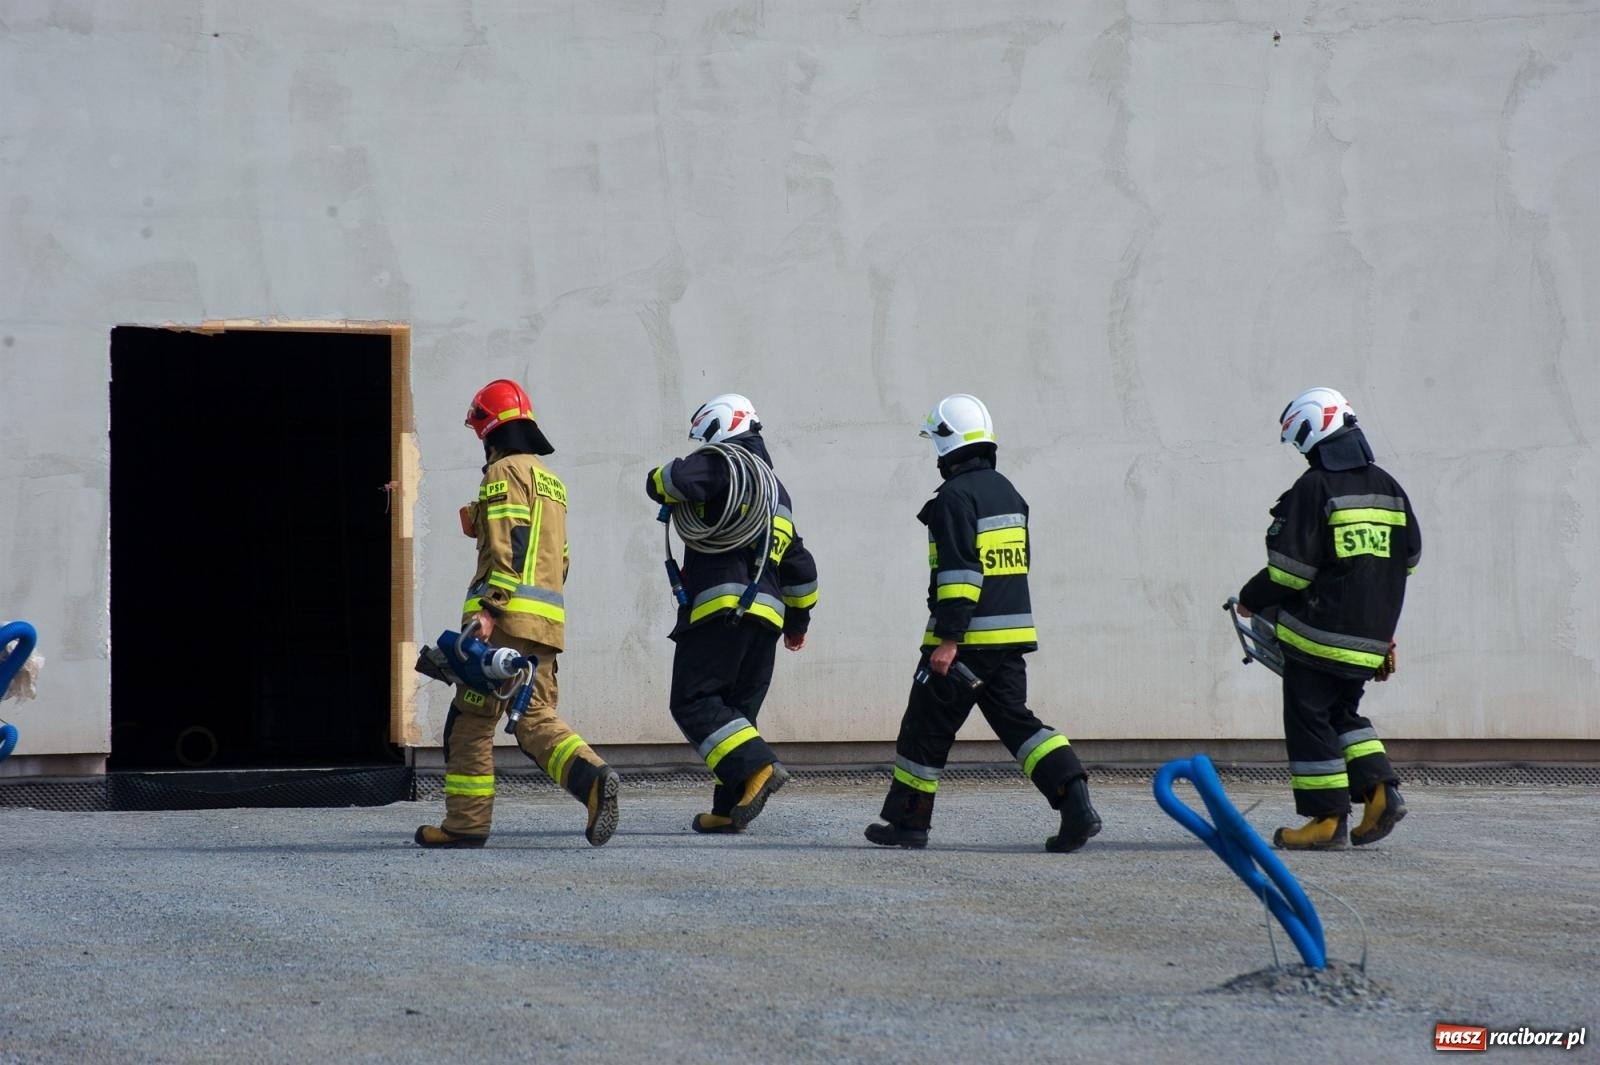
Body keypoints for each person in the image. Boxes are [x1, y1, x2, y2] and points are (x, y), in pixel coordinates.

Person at [864, 394, 1100, 852]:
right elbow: (1015, 564)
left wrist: (949, 640)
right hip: (1009, 638)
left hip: (967, 639)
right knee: (1019, 725)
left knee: (924, 727)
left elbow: (961, 573)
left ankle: (909, 824)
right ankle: (1076, 802)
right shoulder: (1009, 492)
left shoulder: (954, 497)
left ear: (947, 444)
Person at [414, 379, 620, 848]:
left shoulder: (502, 473)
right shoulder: (552, 482)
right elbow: (558, 556)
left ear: (489, 428)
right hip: (544, 624)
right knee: (534, 717)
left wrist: (490, 611)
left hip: (501, 624)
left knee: (470, 722)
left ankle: (465, 825)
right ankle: (592, 779)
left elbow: (512, 543)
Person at [1235, 386, 1420, 850]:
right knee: (1343, 712)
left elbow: (1289, 571)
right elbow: (1409, 558)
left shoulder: (1314, 488)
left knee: (1308, 715)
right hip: (1371, 636)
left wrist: (1250, 597)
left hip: (1319, 632)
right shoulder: (1389, 487)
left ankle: (1326, 820)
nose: (1300, 450)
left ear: (1313, 430)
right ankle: (1381, 792)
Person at [645, 393, 818, 833]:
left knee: (694, 701)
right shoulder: (778, 492)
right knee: (737, 713)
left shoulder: (723, 463)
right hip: (766, 621)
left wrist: (658, 476)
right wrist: (797, 623)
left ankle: (759, 767)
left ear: (717, 428)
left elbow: (669, 482)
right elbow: (800, 565)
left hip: (721, 609)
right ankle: (728, 809)